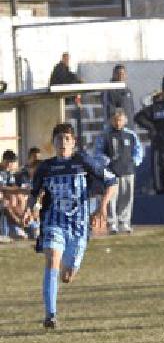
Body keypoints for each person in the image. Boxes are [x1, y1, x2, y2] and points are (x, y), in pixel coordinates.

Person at [22, 122, 117, 329]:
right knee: (52, 260)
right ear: (53, 143)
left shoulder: (84, 162)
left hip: (79, 226)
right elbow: (34, 193)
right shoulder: (46, 168)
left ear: (74, 142)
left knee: (67, 276)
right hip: (54, 222)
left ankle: (67, 272)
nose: (63, 143)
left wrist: (102, 207)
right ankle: (50, 315)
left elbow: (112, 181)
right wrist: (29, 209)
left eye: (67, 139)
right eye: (58, 139)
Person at [94, 108, 143, 234]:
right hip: (111, 172)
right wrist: (107, 162)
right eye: (115, 120)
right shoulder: (105, 135)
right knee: (111, 197)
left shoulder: (131, 135)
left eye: (120, 120)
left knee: (126, 197)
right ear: (111, 120)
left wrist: (135, 161)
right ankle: (112, 223)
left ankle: (124, 222)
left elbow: (139, 150)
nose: (118, 123)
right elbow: (97, 152)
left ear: (125, 120)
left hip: (128, 171)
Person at [134, 74, 164, 195]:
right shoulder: (156, 107)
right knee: (160, 183)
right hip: (161, 150)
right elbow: (138, 117)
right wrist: (152, 128)